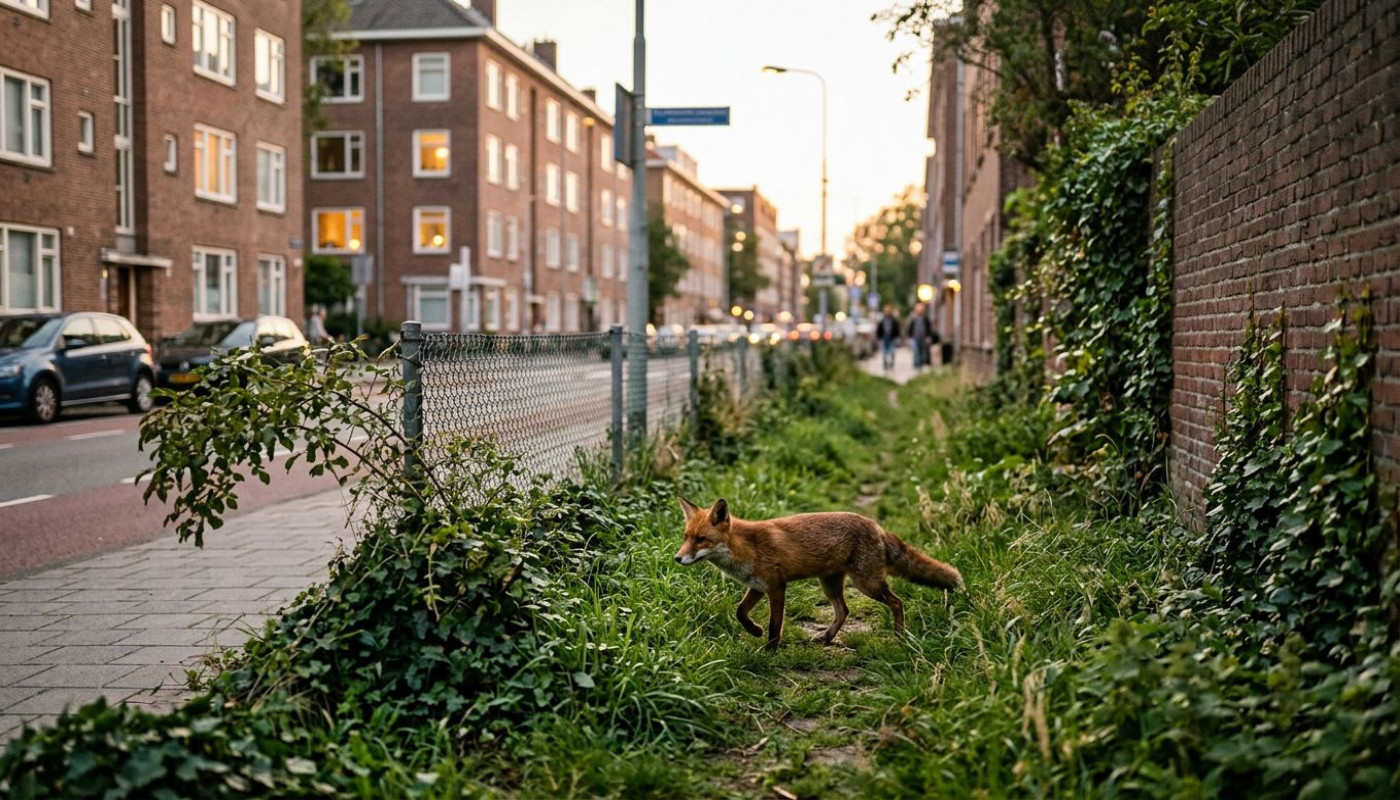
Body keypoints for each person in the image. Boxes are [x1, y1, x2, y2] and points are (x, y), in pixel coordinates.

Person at [907, 303, 932, 370]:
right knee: (916, 352)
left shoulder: (925, 318)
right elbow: (910, 328)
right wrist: (910, 338)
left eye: (921, 310)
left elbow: (928, 328)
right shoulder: (913, 319)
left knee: (923, 352)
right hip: (915, 338)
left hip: (923, 338)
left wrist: (928, 336)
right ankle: (917, 366)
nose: (920, 311)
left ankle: (922, 364)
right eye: (918, 310)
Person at [876, 304, 901, 371]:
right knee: (884, 352)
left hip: (891, 338)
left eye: (888, 310)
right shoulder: (882, 320)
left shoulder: (894, 320)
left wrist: (897, 337)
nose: (887, 312)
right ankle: (885, 364)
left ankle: (891, 363)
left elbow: (897, 329)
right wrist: (879, 337)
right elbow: (879, 330)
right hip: (884, 337)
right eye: (886, 310)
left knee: (892, 352)